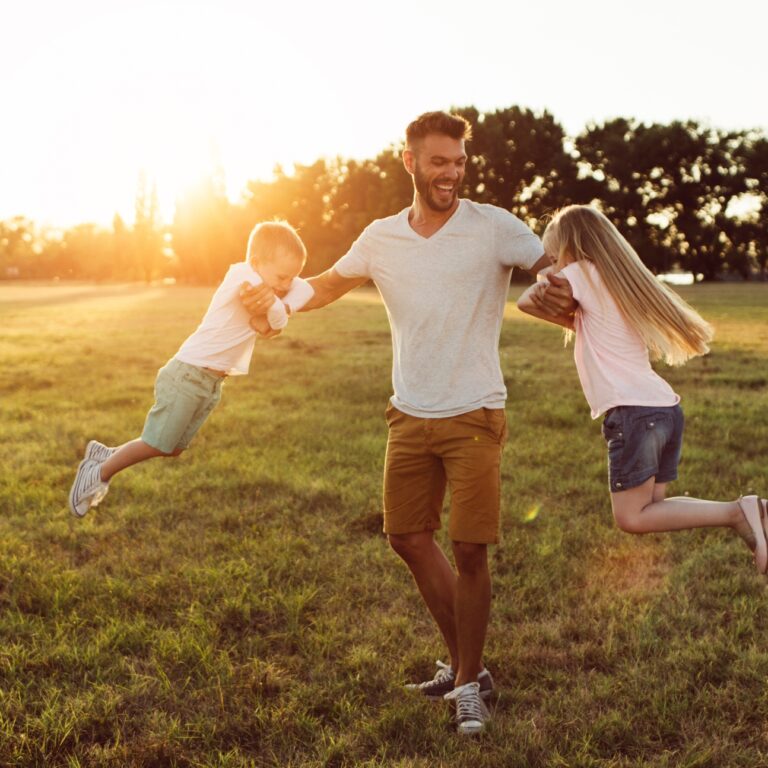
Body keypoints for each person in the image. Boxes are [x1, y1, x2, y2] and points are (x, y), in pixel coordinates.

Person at [241, 111, 576, 735]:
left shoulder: (493, 226)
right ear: (410, 162)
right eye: (439, 161)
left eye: (459, 162)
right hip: (409, 412)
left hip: (474, 411)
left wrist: (561, 282)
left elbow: (550, 264)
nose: (451, 173)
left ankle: (468, 684)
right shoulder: (381, 237)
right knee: (406, 537)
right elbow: (326, 285)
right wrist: (274, 294)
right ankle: (468, 669)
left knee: (469, 549)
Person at [517, 204, 768, 567]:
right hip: (664, 410)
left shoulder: (583, 272)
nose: (552, 265)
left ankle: (738, 512)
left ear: (571, 248)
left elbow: (526, 300)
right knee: (653, 507)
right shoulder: (618, 283)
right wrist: (572, 316)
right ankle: (750, 514)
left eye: (555, 256)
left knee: (632, 517)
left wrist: (550, 272)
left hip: (634, 414)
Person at [68, 220, 314, 518]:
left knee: (173, 449)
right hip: (189, 375)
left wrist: (283, 302)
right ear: (256, 262)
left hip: (210, 383)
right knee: (156, 442)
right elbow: (276, 318)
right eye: (282, 277)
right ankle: (97, 474)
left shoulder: (271, 284)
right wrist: (281, 312)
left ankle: (104, 454)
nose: (286, 285)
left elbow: (305, 289)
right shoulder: (241, 275)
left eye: (291, 278)